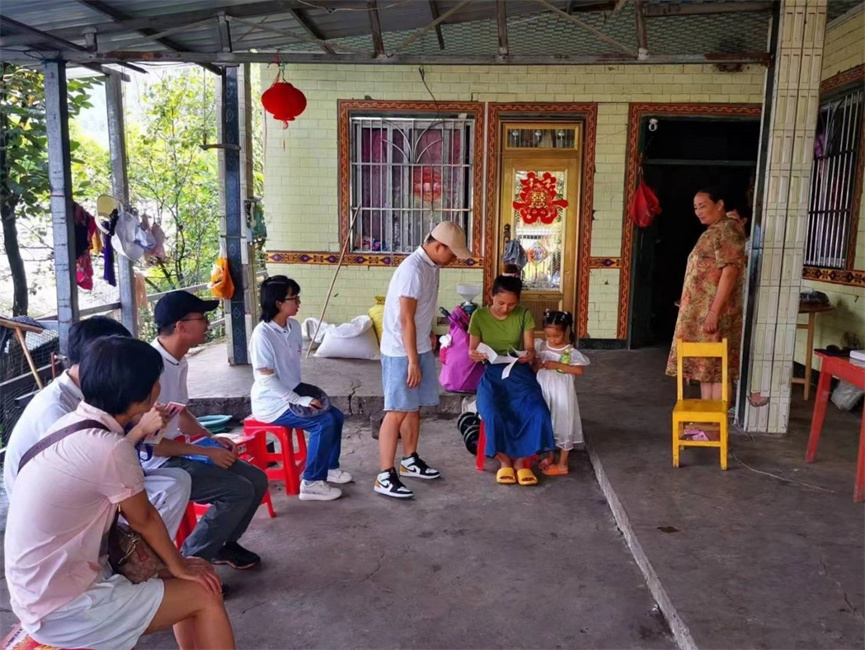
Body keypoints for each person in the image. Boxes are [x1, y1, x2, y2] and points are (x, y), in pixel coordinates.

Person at [5, 336, 234, 650]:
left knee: (192, 576)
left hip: (40, 591)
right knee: (205, 591)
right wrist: (179, 565)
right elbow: (144, 519)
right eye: (156, 381)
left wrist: (179, 566)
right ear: (142, 394)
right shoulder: (108, 447)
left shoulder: (72, 423)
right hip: (64, 607)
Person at [2, 316, 191, 538]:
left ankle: (141, 552)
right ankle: (132, 554)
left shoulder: (92, 391)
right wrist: (140, 430)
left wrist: (142, 423)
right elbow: (93, 463)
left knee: (175, 482)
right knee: (155, 501)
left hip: (85, 480)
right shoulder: (55, 409)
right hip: (52, 511)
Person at [145, 291, 268, 570]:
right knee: (237, 490)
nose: (208, 324)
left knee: (257, 479)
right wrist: (204, 451)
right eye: (202, 318)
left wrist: (210, 438)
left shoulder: (178, 360)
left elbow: (180, 411)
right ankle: (192, 561)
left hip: (178, 450)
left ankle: (223, 544)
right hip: (156, 463)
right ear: (181, 326)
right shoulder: (150, 369)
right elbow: (151, 445)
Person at [375, 221, 472, 499]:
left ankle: (409, 460)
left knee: (413, 408)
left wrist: (428, 333)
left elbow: (421, 311)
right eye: (452, 253)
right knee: (396, 410)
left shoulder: (432, 266)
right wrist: (412, 361)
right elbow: (405, 319)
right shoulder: (412, 270)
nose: (453, 259)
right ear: (438, 246)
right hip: (400, 351)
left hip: (416, 346)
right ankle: (384, 475)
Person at [249, 276, 352, 502]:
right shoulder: (262, 335)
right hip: (272, 402)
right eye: (293, 298)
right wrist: (299, 399)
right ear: (278, 303)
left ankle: (329, 467)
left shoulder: (294, 326)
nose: (298, 303)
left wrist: (302, 395)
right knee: (323, 423)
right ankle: (311, 483)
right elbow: (266, 379)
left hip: (292, 391)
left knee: (335, 415)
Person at [468, 275, 555, 486]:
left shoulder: (524, 314)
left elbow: (530, 348)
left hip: (519, 371)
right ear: (491, 296)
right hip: (492, 372)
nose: (506, 308)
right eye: (501, 303)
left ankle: (521, 462)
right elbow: (472, 349)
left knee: (537, 410)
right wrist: (475, 354)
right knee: (491, 410)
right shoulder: (479, 316)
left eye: (511, 304)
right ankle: (504, 461)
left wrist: (529, 354)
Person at [666, 188, 746, 402]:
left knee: (718, 370)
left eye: (703, 206)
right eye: (695, 208)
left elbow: (730, 271)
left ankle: (718, 418)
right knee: (706, 369)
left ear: (719, 204)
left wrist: (713, 312)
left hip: (716, 314)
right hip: (702, 315)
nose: (698, 211)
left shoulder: (728, 229)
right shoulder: (714, 230)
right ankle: (708, 418)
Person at [533, 311, 590, 476]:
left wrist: (557, 365)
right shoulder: (540, 346)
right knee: (549, 421)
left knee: (562, 421)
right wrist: (538, 365)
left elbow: (579, 370)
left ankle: (563, 464)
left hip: (561, 391)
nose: (552, 339)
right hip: (544, 388)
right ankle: (551, 456)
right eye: (548, 335)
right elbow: (534, 367)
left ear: (564, 332)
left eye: (556, 336)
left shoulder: (569, 351)